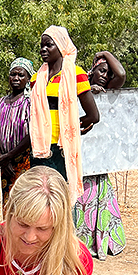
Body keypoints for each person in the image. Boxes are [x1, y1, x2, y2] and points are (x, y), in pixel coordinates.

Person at [29, 26, 99, 202]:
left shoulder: (75, 74)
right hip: (39, 148)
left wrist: (74, 127)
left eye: (49, 45)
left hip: (61, 149)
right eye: (42, 46)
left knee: (60, 200)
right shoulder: (36, 79)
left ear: (61, 46)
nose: (43, 49)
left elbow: (93, 115)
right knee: (41, 201)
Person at [73, 51, 127, 259]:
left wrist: (105, 54)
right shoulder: (80, 85)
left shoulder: (107, 91)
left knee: (98, 198)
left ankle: (100, 240)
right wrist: (88, 91)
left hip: (99, 158)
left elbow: (121, 75)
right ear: (92, 70)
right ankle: (80, 241)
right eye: (102, 70)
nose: (106, 76)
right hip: (80, 153)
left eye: (108, 73)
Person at [0, 58, 35, 205]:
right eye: (13, 74)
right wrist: (2, 158)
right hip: (5, 161)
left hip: (24, 159)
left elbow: (32, 133)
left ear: (28, 78)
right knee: (8, 202)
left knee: (24, 201)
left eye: (21, 75)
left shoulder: (30, 102)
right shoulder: (0, 103)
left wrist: (10, 156)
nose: (16, 78)